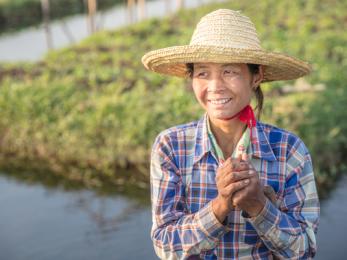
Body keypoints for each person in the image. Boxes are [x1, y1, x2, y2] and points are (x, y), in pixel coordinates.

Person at [142, 9, 319, 259]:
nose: (215, 87)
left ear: (256, 76)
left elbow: (305, 250)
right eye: (203, 73)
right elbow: (165, 246)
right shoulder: (171, 146)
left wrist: (259, 205)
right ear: (192, 78)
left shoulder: (289, 150)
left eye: (230, 71)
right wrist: (220, 205)